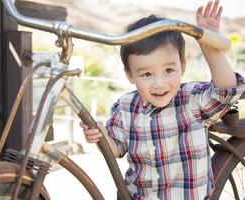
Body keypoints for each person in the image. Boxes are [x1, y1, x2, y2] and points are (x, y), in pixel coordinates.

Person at [80, 0, 245, 199]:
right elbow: (116, 148)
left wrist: (210, 47)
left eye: (168, 70)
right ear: (130, 74)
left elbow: (226, 90)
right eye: (147, 74)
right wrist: (100, 136)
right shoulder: (125, 107)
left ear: (182, 66)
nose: (159, 83)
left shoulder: (191, 101)